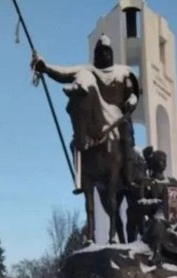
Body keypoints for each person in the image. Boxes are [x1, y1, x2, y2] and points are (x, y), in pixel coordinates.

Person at [32, 34, 141, 186]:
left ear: (111, 53)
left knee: (126, 139)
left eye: (107, 51)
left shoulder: (123, 73)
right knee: (76, 143)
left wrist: (131, 100)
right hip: (96, 119)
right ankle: (82, 178)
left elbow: (132, 92)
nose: (104, 54)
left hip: (118, 118)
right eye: (101, 52)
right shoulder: (87, 71)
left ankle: (129, 177)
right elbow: (64, 73)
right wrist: (46, 68)